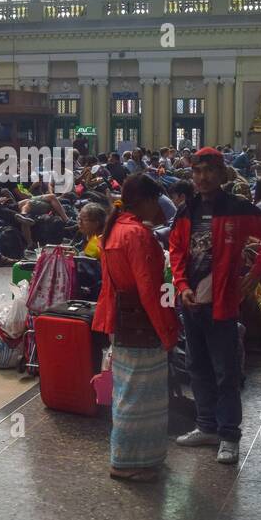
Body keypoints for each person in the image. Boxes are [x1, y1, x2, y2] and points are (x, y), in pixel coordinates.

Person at [169, 147, 261, 464]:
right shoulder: (185, 210)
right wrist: (181, 285)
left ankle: (229, 434)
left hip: (223, 304)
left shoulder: (238, 209)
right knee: (196, 366)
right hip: (191, 303)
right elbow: (176, 250)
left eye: (209, 171)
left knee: (226, 371)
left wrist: (255, 273)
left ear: (221, 174)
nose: (202, 178)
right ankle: (206, 426)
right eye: (197, 172)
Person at [92, 173, 179, 482]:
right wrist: (168, 332)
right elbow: (149, 289)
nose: (158, 207)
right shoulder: (137, 234)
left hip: (121, 321)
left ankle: (137, 458)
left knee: (127, 391)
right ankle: (126, 462)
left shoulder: (112, 230)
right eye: (156, 200)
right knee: (139, 396)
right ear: (145, 201)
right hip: (142, 324)